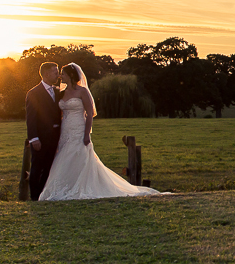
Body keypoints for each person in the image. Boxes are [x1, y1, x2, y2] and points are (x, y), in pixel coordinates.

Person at [39, 62, 161, 200]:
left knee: (80, 156)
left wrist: (86, 134)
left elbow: (90, 113)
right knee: (63, 157)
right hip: (65, 130)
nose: (61, 76)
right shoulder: (61, 94)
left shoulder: (82, 92)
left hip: (79, 128)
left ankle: (81, 186)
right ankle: (63, 187)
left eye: (64, 74)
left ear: (71, 76)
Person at [24, 61, 62, 201]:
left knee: (50, 168)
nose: (58, 75)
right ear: (46, 74)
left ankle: (45, 195)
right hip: (41, 138)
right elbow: (31, 118)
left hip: (56, 137)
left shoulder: (58, 91)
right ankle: (34, 197)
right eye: (55, 72)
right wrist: (34, 138)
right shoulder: (34, 93)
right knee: (37, 167)